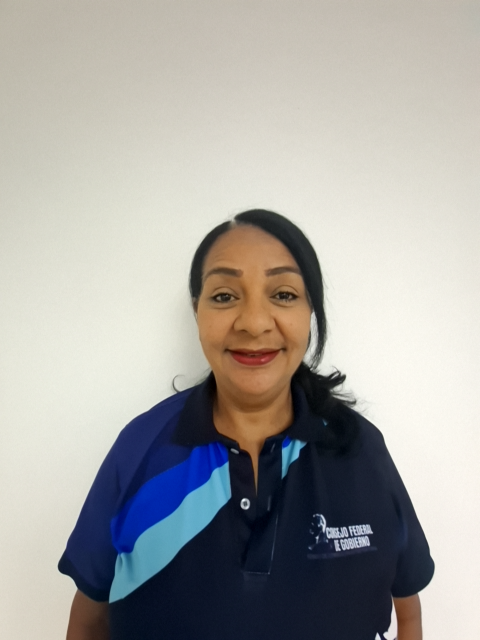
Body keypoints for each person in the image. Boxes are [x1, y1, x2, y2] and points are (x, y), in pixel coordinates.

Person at [59, 209, 434, 640]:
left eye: (284, 294)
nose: (254, 323)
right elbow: (89, 620)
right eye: (224, 296)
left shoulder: (359, 448)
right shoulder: (141, 449)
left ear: (310, 312)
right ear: (197, 311)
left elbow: (408, 612)